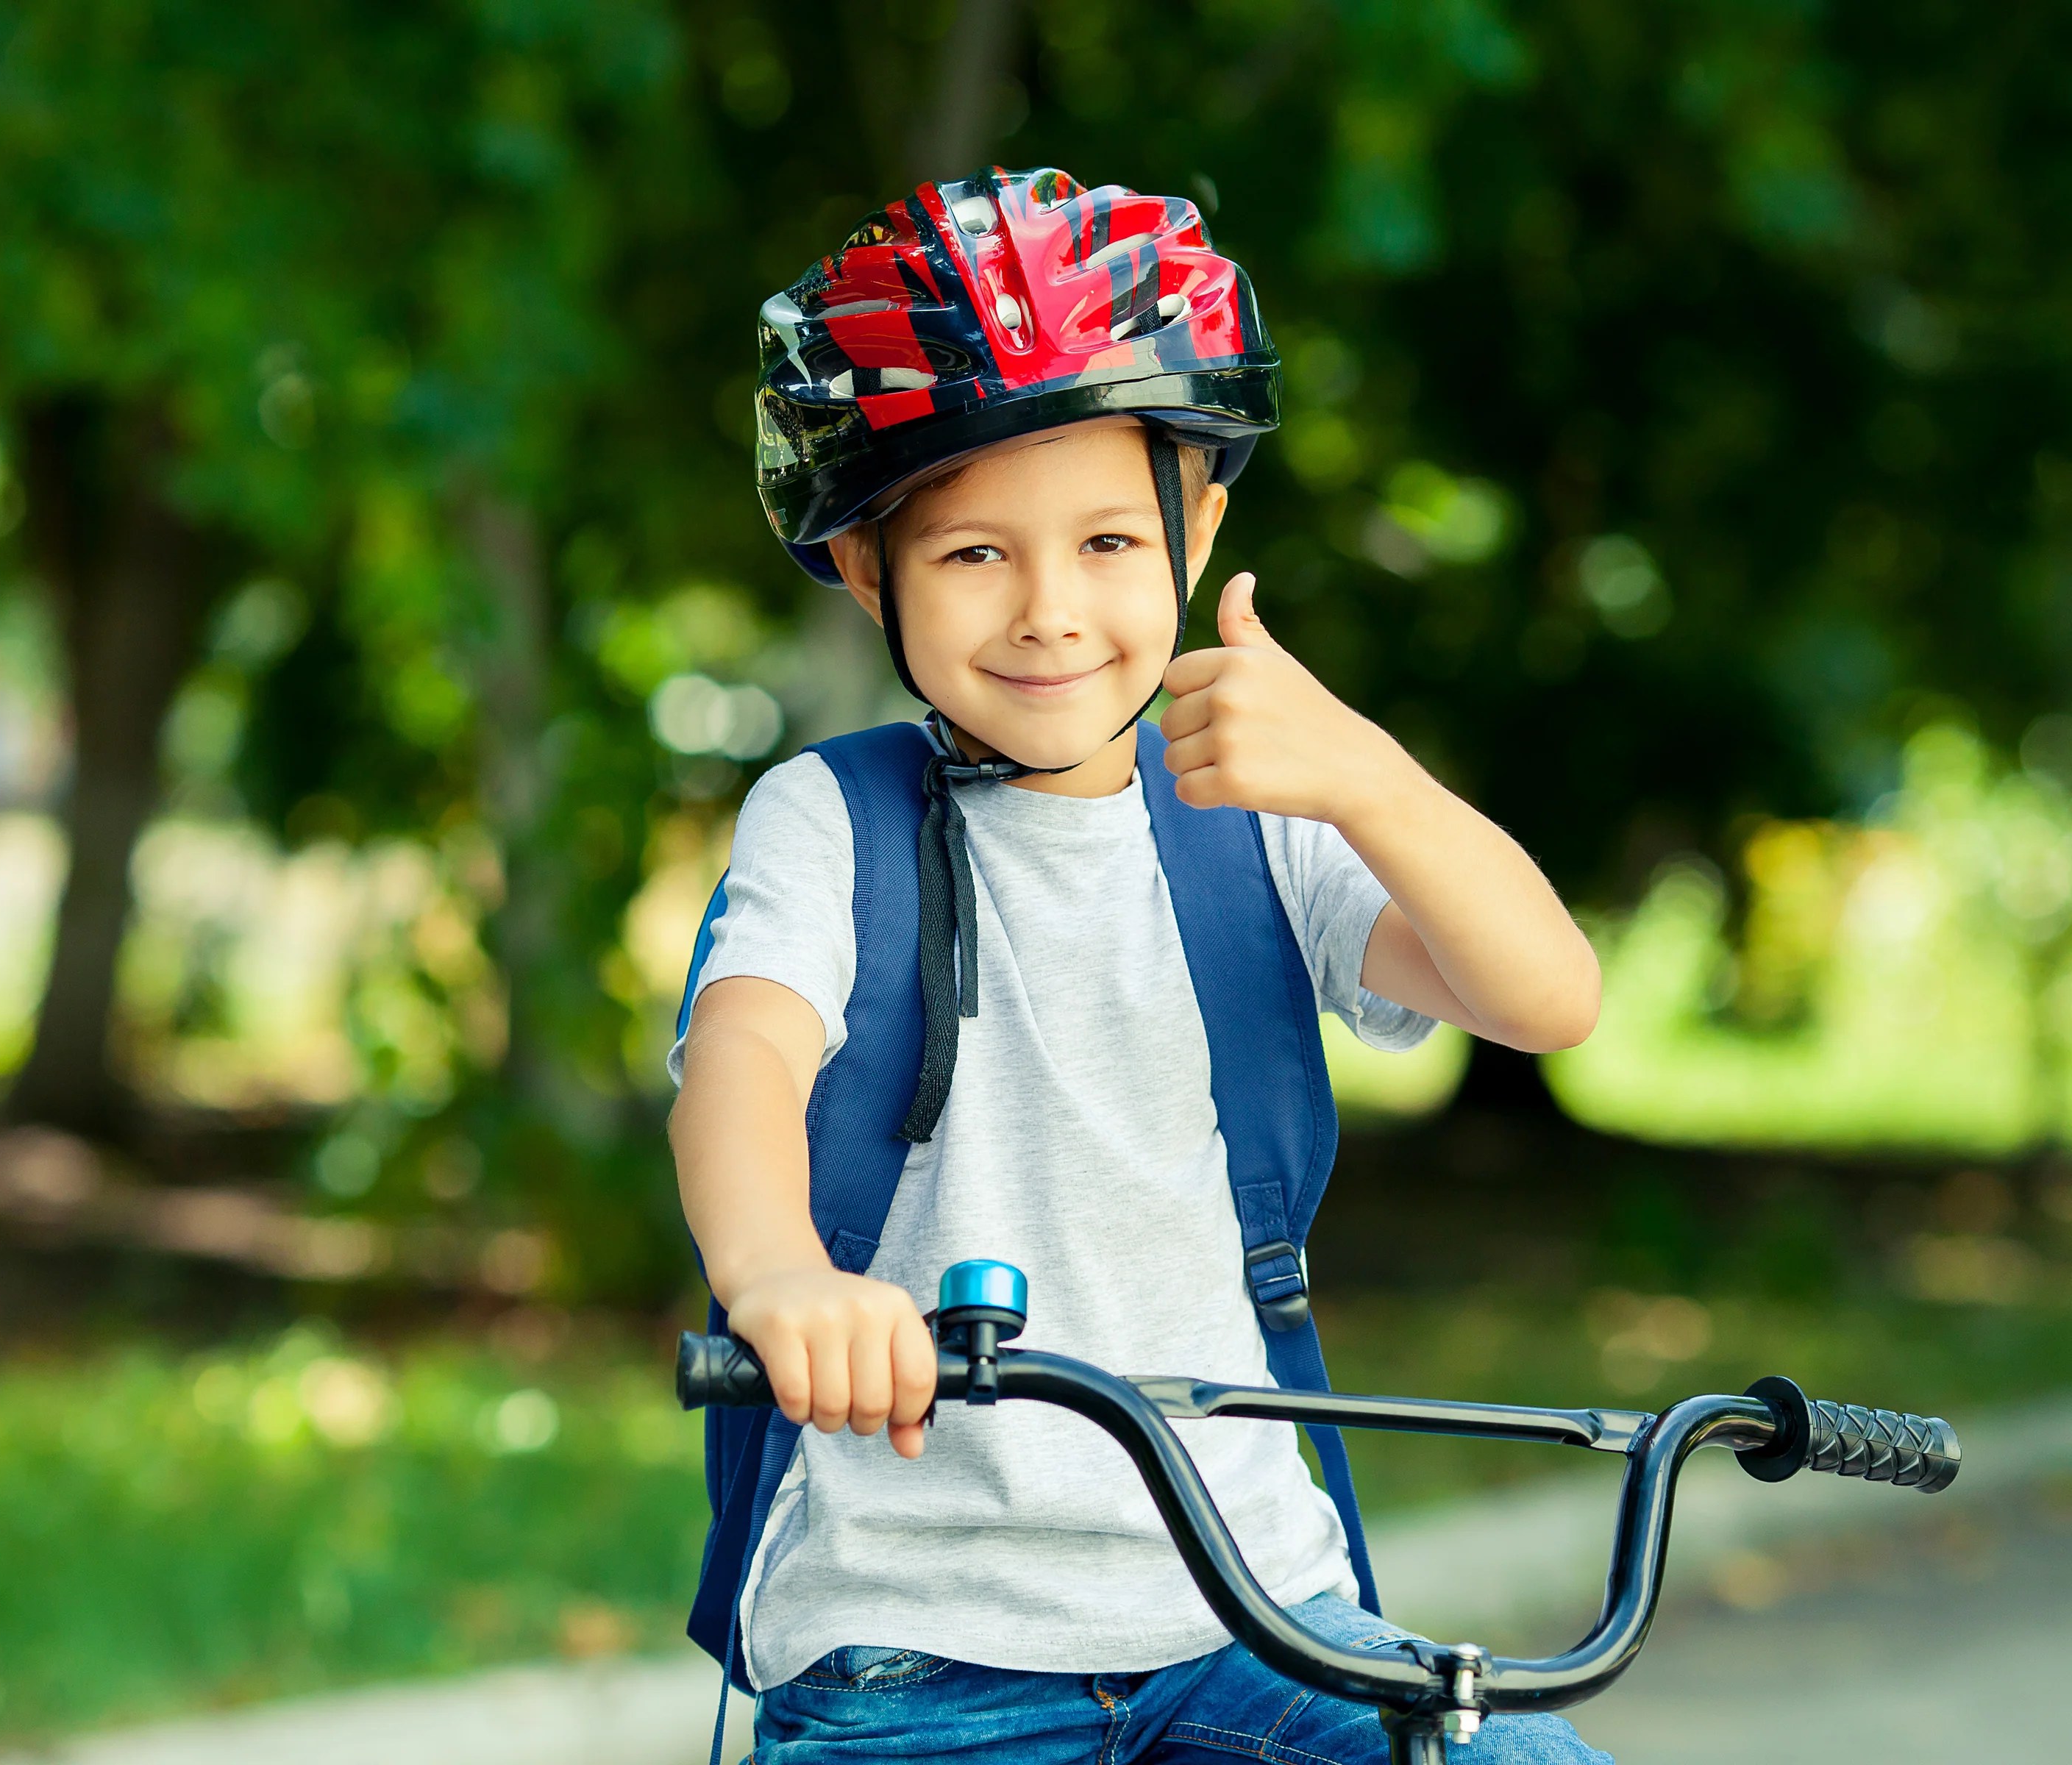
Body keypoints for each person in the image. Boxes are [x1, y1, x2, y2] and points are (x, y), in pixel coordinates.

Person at [669, 168, 1609, 1762]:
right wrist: (781, 1283)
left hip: (1260, 1622)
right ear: (864, 569)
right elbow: (743, 1062)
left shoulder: (1260, 818)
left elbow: (1547, 996)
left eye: (1109, 539)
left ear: (1201, 525)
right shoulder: (828, 823)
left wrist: (1371, 775)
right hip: (919, 1650)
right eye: (974, 554)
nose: (1052, 612)